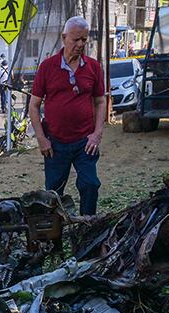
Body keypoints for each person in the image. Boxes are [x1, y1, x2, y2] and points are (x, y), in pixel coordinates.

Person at [28, 16, 107, 216]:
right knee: (53, 193)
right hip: (55, 143)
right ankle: (53, 241)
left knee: (90, 185)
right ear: (64, 38)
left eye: (84, 40)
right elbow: (34, 105)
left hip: (84, 142)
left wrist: (97, 133)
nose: (80, 44)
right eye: (76, 39)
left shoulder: (93, 67)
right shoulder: (47, 67)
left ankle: (86, 232)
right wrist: (41, 139)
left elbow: (100, 101)